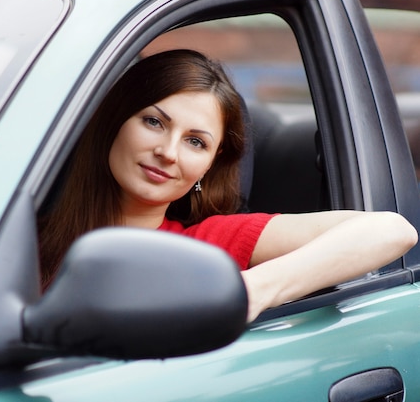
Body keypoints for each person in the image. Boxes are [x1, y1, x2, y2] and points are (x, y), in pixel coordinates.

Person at [38, 49, 418, 322]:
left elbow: (390, 230)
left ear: (208, 167)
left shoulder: (207, 245)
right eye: (154, 122)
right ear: (114, 122)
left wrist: (251, 291)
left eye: (196, 142)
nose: (168, 152)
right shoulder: (18, 235)